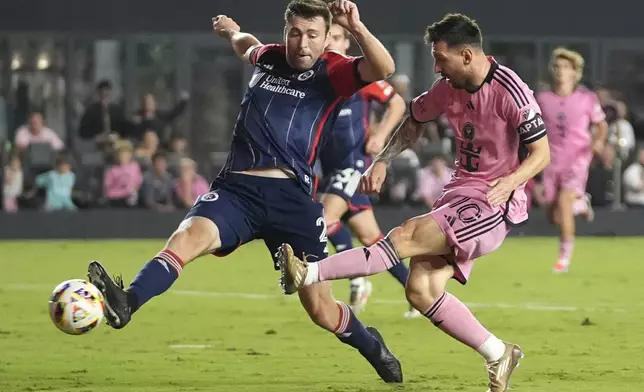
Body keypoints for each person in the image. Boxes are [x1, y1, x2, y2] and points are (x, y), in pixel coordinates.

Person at [86, 0, 402, 383]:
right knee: (185, 239)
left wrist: (356, 27)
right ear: (286, 33)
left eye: (313, 35)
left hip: (292, 201)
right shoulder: (270, 58)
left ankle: (372, 346)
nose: (303, 43)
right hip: (238, 190)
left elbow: (385, 68)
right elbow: (246, 44)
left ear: (324, 40)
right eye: (296, 33)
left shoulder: (333, 71)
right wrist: (231, 31)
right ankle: (127, 302)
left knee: (321, 311)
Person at [277, 13, 551, 392]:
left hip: (492, 203)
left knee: (404, 236)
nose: (436, 67)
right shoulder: (447, 87)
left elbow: (541, 153)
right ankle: (498, 352)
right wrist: (384, 160)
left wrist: (510, 182)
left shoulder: (511, 91)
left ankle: (308, 273)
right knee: (420, 289)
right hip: (459, 193)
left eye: (441, 58)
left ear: (467, 55)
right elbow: (415, 119)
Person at [317, 22, 409, 316]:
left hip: (354, 164)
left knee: (322, 219)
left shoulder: (358, 74)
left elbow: (397, 103)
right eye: (326, 38)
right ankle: (415, 288)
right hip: (329, 168)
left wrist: (381, 134)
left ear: (346, 44)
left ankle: (356, 278)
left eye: (336, 38)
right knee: (372, 238)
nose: (331, 44)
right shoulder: (316, 76)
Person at [536, 48, 608, 273]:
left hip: (578, 158)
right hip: (551, 159)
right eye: (557, 67)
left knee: (565, 202)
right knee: (553, 213)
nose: (560, 71)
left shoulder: (586, 98)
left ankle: (564, 259)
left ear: (575, 73)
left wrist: (598, 141)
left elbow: (601, 125)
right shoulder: (543, 98)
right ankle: (581, 203)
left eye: (566, 67)